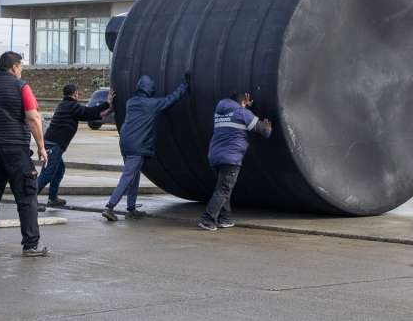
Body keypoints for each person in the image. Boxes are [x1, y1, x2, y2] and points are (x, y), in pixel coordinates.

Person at [0, 51, 49, 258]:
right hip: (16, 150)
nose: (21, 70)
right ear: (14, 67)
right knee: (26, 197)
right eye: (20, 66)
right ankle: (31, 245)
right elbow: (33, 118)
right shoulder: (21, 87)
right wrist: (41, 146)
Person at [102, 74, 189, 222]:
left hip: (125, 143)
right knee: (128, 176)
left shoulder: (131, 102)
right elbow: (171, 99)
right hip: (137, 145)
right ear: (150, 90)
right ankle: (109, 207)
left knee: (134, 176)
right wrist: (184, 86)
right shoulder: (151, 104)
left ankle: (131, 209)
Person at [197, 92, 272, 231]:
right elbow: (264, 132)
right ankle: (207, 219)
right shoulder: (243, 113)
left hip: (215, 156)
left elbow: (236, 115)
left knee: (224, 188)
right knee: (223, 189)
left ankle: (225, 218)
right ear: (243, 102)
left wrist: (244, 106)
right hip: (231, 158)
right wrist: (268, 127)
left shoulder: (219, 112)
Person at [36, 84, 114, 210]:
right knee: (47, 174)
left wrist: (107, 112)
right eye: (78, 93)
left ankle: (52, 198)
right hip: (53, 145)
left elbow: (88, 115)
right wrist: (107, 103)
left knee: (59, 170)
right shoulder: (71, 106)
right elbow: (89, 112)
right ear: (75, 93)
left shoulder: (65, 105)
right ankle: (30, 201)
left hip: (54, 144)